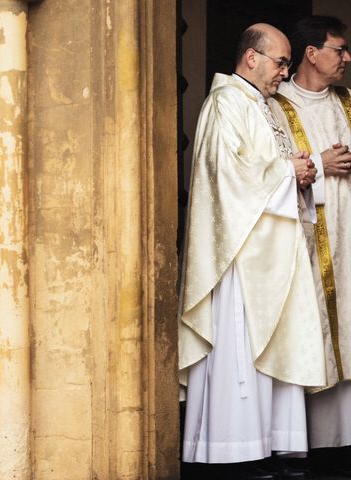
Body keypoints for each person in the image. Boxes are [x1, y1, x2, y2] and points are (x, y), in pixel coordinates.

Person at [179, 23, 326, 479]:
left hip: (273, 253)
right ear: (251, 58)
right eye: (280, 61)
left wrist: (300, 172)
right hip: (240, 258)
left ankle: (270, 443)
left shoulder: (263, 106)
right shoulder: (225, 103)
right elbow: (228, 176)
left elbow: (272, 168)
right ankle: (232, 449)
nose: (285, 71)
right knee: (240, 348)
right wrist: (290, 171)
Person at [268, 15, 351, 476]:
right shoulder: (276, 105)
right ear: (312, 53)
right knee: (313, 326)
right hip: (303, 236)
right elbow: (265, 170)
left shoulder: (348, 102)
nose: (347, 58)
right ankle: (305, 440)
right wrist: (318, 166)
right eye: (339, 49)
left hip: (349, 234)